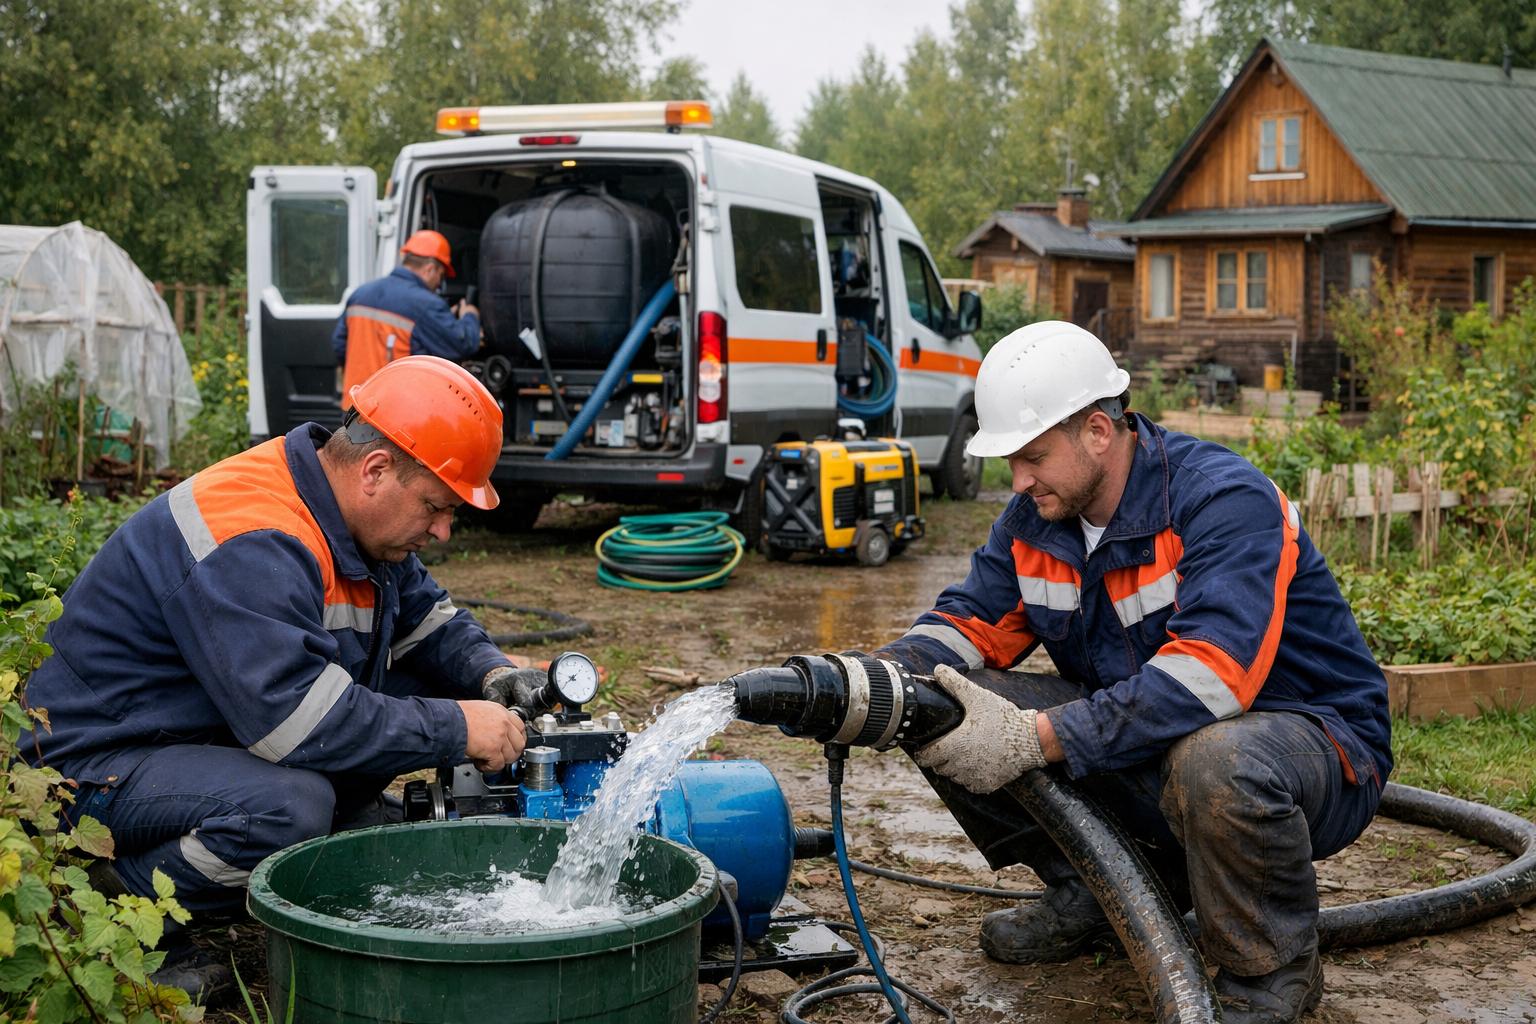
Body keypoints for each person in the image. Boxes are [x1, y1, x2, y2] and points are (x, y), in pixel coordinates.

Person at [874, 321, 1391, 1024]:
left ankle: (1270, 970)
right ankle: (1096, 889)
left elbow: (1213, 677)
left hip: (1308, 749)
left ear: (1096, 431)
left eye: (1031, 456)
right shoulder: (1036, 518)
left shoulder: (1221, 500)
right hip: (1148, 742)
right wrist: (871, 681)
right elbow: (967, 624)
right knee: (934, 704)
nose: (1018, 480)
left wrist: (1038, 736)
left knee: (1218, 761)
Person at [24, 355, 543, 1000]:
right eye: (437, 507)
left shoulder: (348, 515)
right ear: (377, 470)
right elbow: (296, 725)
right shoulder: (253, 534)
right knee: (289, 810)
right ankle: (120, 908)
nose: (442, 529)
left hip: (187, 735)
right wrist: (457, 726)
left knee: (410, 704)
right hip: (89, 766)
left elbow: (426, 620)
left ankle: (312, 826)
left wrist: (493, 675)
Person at [332, 229, 482, 407]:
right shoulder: (427, 304)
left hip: (354, 408)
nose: (438, 284)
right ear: (430, 269)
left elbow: (339, 345)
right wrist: (470, 315)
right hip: (393, 415)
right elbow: (463, 343)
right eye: (440, 276)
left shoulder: (361, 293)